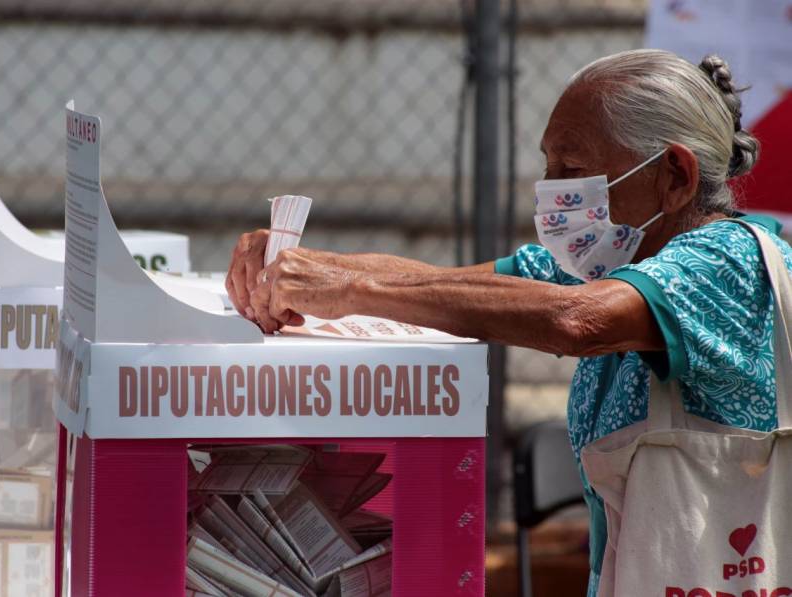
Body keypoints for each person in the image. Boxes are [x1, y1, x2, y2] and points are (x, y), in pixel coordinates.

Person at [225, 49, 792, 594]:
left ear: (674, 175)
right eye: (549, 168)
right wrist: (306, 266)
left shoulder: (729, 262)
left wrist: (350, 286)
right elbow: (448, 285)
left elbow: (577, 321)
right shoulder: (621, 258)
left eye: (572, 169)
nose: (551, 193)